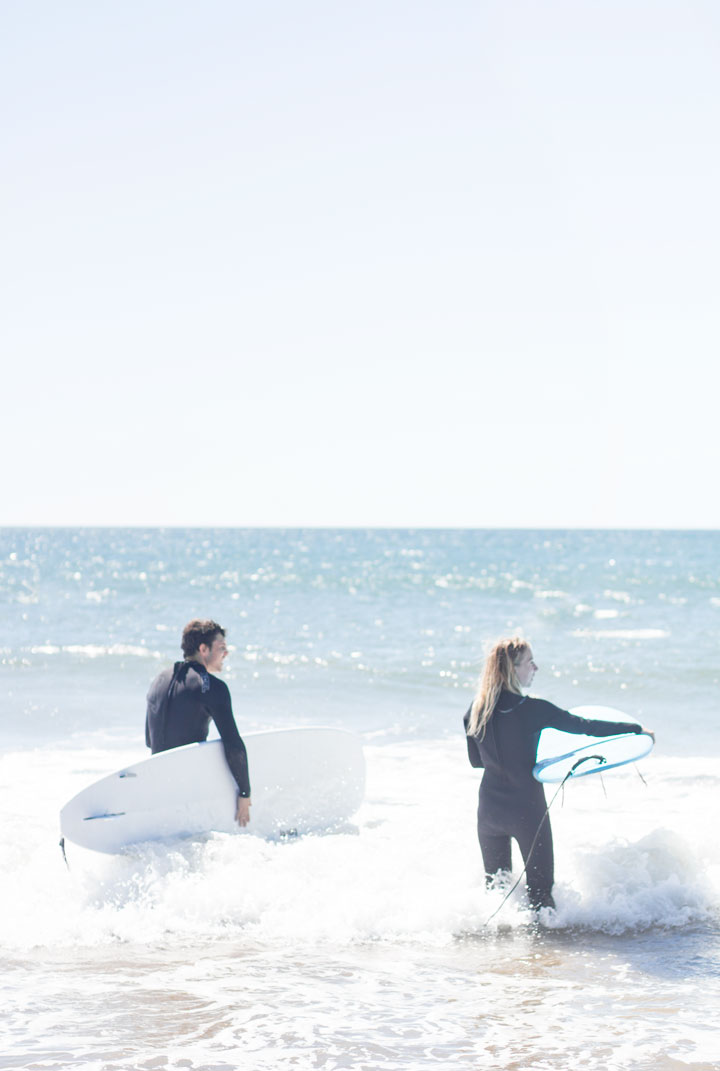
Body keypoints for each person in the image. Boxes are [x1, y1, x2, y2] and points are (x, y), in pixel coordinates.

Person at [463, 636, 652, 911]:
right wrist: (636, 730)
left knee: (496, 893)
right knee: (540, 895)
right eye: (530, 662)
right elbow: (586, 726)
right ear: (513, 669)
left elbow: (476, 762)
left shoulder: (475, 711)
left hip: (489, 812)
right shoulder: (533, 709)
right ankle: (545, 952)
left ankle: (498, 949)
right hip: (526, 811)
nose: (535, 668)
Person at [145, 619, 251, 827]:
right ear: (204, 649)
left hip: (158, 784)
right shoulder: (212, 687)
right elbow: (232, 744)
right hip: (191, 785)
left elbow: (150, 740)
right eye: (221, 648)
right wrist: (245, 794)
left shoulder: (158, 681)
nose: (226, 654)